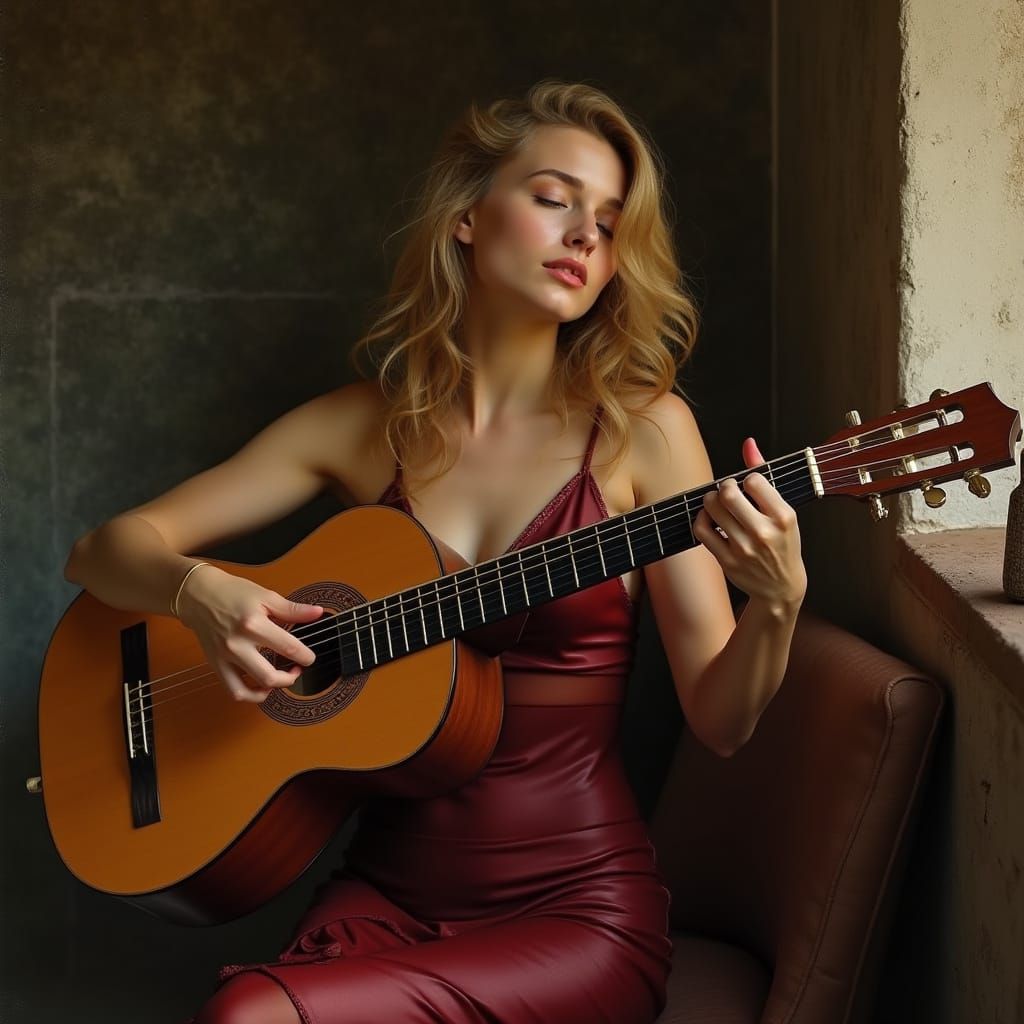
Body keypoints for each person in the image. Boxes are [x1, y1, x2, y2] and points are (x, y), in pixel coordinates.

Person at [64, 81, 806, 1024]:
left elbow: (724, 718)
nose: (585, 235)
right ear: (465, 214)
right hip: (386, 897)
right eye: (554, 197)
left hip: (572, 909)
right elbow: (103, 551)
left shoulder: (645, 434)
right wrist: (201, 593)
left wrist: (776, 604)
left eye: (612, 223)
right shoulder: (361, 429)